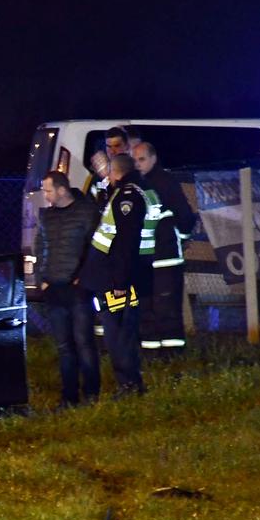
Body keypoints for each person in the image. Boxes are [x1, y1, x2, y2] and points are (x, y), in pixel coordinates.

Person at [81, 153, 148, 395]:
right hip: (110, 277)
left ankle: (129, 383)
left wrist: (120, 281)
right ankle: (129, 382)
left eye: (108, 172)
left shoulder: (127, 197)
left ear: (116, 172)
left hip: (114, 280)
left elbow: (125, 244)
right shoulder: (121, 193)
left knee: (117, 333)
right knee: (117, 331)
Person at [35, 170, 102, 406]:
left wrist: (83, 277)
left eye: (48, 190)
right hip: (54, 288)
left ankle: (92, 394)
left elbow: (95, 247)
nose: (45, 194)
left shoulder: (86, 212)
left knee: (84, 342)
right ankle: (69, 397)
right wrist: (41, 278)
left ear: (62, 190)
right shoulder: (47, 217)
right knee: (65, 347)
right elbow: (39, 246)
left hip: (79, 289)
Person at [132, 140, 199, 349]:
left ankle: (171, 356)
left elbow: (185, 216)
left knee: (166, 309)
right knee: (147, 308)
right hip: (146, 260)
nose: (137, 164)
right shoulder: (137, 184)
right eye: (134, 160)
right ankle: (154, 356)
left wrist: (181, 237)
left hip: (165, 258)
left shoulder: (165, 182)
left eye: (141, 159)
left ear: (153, 158)